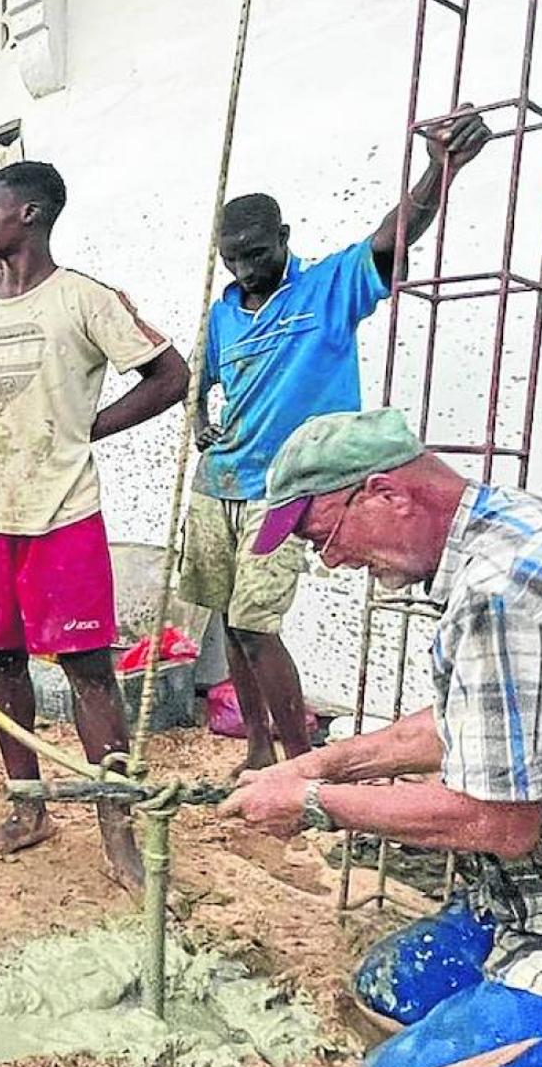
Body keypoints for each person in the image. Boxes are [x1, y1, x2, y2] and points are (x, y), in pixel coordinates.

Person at [220, 409, 542, 1067]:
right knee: (388, 988)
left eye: (325, 536)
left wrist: (314, 802)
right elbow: (488, 710)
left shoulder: (502, 592)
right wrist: (327, 760)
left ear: (387, 495)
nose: (333, 561)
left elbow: (499, 821)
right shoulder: (512, 527)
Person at [0, 161, 189, 891]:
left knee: (88, 672)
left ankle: (118, 831)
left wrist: (89, 430)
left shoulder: (84, 300)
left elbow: (169, 377)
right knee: (1, 661)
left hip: (61, 516)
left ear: (32, 213)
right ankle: (29, 809)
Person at [185, 107, 491, 773]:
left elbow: (391, 238)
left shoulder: (328, 287)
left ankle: (297, 760)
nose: (246, 270)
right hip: (218, 484)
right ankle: (258, 746)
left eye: (257, 254)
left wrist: (439, 169)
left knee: (257, 624)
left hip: (285, 494)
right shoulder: (221, 313)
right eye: (232, 259)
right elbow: (199, 382)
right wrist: (203, 420)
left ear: (284, 238)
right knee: (228, 621)